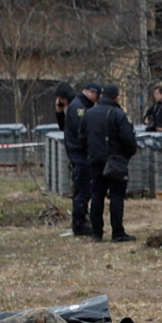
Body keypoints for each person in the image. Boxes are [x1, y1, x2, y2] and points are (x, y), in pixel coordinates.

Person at [84, 84, 137, 241]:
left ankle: (96, 233)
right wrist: (125, 156)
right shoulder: (118, 114)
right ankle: (117, 232)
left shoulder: (89, 114)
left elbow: (81, 137)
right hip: (114, 161)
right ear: (116, 97)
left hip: (94, 160)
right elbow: (129, 139)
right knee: (116, 197)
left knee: (97, 196)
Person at [63, 79, 100, 237]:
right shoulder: (79, 108)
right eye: (97, 95)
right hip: (80, 155)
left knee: (84, 190)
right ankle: (79, 224)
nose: (98, 99)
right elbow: (83, 132)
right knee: (82, 190)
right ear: (90, 92)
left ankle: (81, 221)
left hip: (80, 154)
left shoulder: (80, 105)